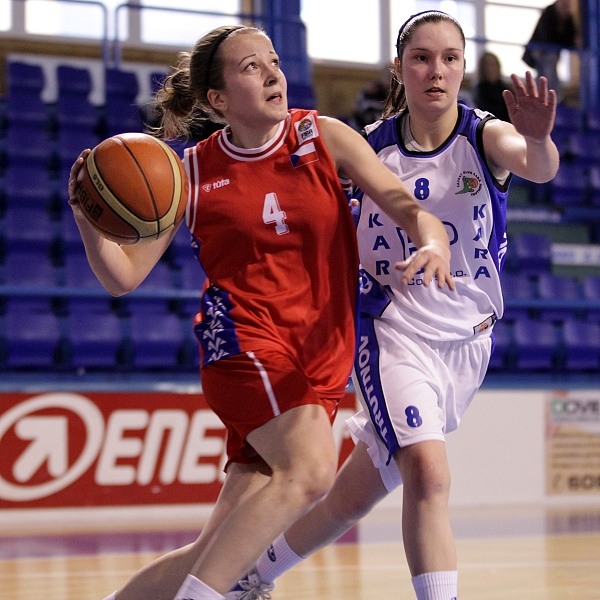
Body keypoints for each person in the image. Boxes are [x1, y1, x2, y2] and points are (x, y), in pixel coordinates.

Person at [67, 24, 453, 600]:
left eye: (273, 61)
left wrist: (433, 240)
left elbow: (406, 206)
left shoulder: (322, 136)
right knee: (312, 471)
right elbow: (122, 277)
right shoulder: (190, 172)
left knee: (220, 550)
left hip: (317, 360)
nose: (273, 74)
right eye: (252, 67)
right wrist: (88, 219)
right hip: (243, 339)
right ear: (218, 99)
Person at [226, 10, 559, 600]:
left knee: (351, 499)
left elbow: (537, 165)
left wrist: (536, 138)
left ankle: (250, 577)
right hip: (391, 328)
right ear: (398, 70)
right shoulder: (368, 149)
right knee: (429, 474)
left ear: (462, 68)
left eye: (450, 58)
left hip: (469, 339)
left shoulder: (484, 136)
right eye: (422, 58)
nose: (437, 70)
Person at [522, 0, 578, 101]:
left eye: (567, 6)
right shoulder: (548, 14)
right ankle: (549, 99)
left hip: (551, 52)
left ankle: (548, 99)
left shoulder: (567, 18)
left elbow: (570, 39)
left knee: (547, 74)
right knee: (547, 73)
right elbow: (548, 36)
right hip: (541, 51)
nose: (565, 9)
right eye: (563, 5)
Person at [472, 51, 512, 122]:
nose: (492, 68)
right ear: (483, 68)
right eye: (488, 65)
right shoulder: (480, 90)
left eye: (494, 64)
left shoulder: (505, 88)